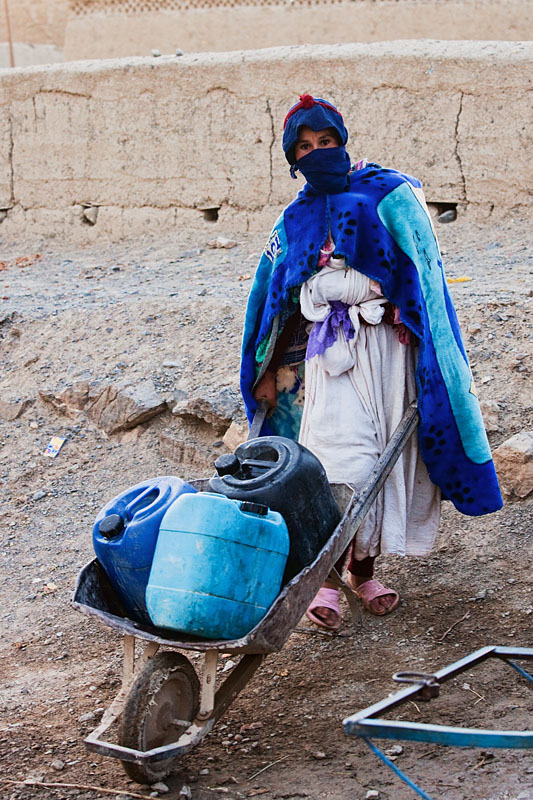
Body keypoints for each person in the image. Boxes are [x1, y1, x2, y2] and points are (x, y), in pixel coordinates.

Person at [240, 94, 502, 630]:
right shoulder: (294, 217)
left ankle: (361, 571)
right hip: (324, 355)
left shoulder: (389, 194)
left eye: (325, 141)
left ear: (342, 140)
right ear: (293, 160)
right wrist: (264, 372)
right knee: (334, 466)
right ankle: (325, 577)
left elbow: (423, 274)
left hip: (385, 350)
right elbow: (272, 301)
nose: (317, 153)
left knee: (384, 464)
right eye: (304, 148)